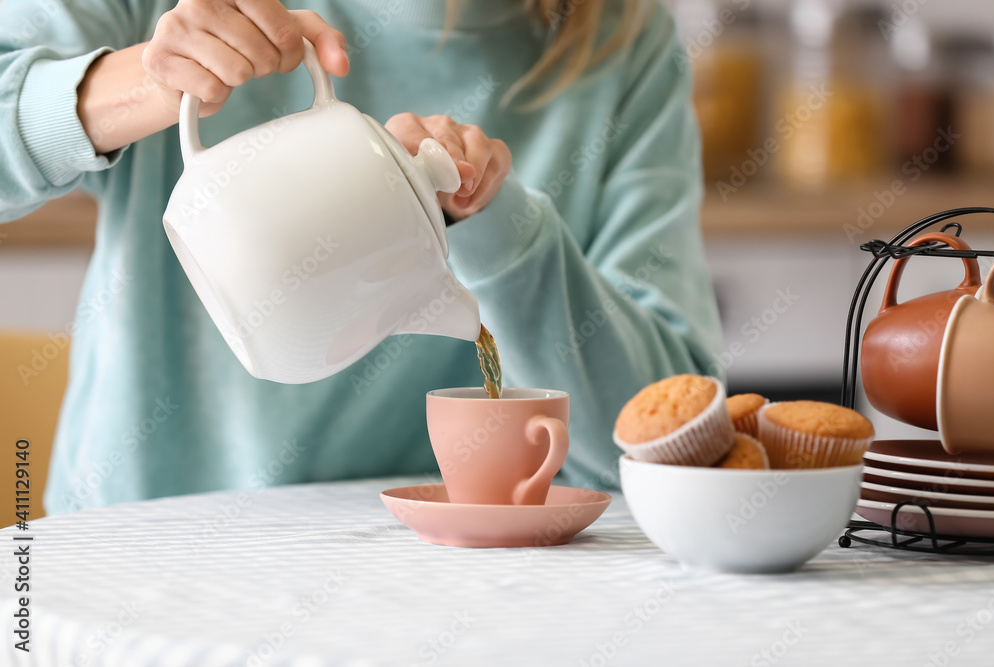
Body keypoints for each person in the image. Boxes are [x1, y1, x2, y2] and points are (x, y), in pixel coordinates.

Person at [0, 0, 723, 514]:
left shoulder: (623, 41)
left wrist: (502, 226)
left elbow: (664, 433)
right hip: (130, 559)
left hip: (409, 588)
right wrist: (146, 82)